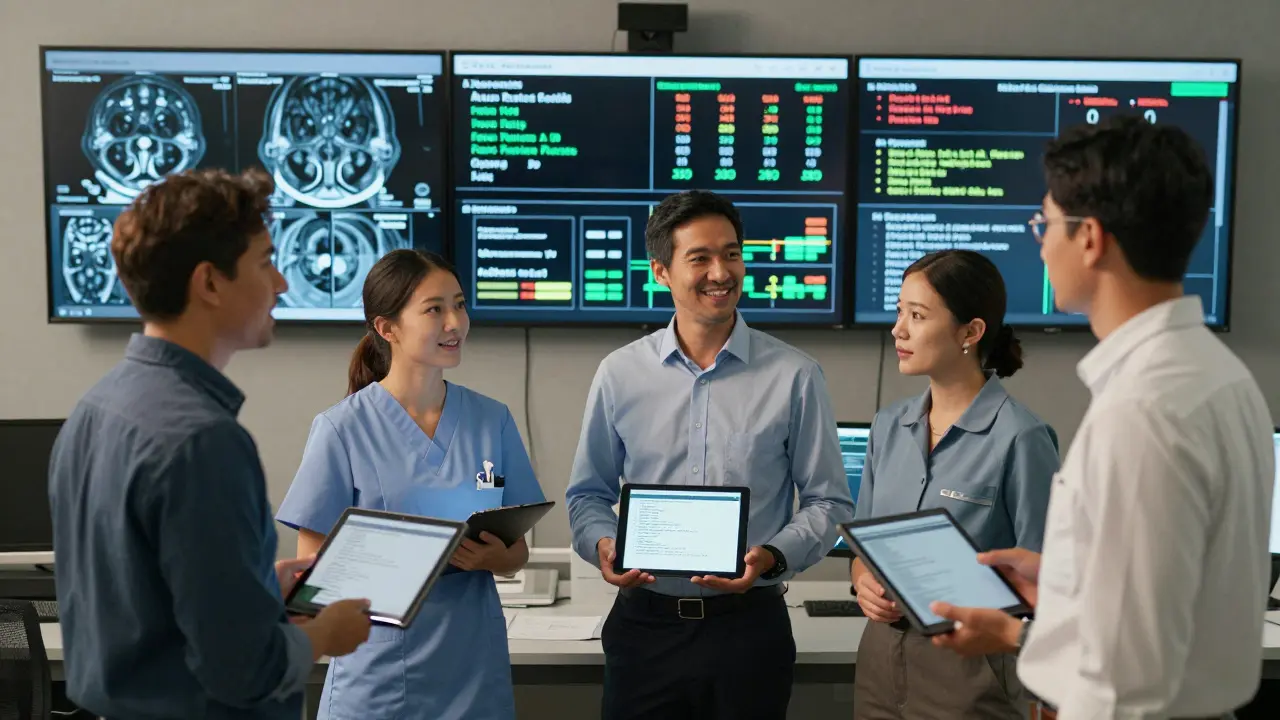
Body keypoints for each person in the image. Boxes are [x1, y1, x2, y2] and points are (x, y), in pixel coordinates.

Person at [928, 116, 1275, 719]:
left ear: (1089, 238)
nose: (1040, 244)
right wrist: (1069, 586)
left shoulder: (1144, 408)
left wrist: (1014, 635)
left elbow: (1126, 678)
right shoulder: (1220, 376)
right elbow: (1173, 601)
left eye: (1044, 224)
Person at [47, 168, 372, 720]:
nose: (282, 283)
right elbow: (244, 670)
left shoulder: (95, 409)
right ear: (210, 283)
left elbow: (138, 598)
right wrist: (327, 634)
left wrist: (258, 589)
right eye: (265, 262)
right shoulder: (203, 441)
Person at [565, 189, 855, 719]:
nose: (720, 273)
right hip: (644, 630)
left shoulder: (795, 375)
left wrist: (773, 556)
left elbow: (829, 502)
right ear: (661, 271)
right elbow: (587, 494)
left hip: (749, 629)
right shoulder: (619, 374)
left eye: (731, 254)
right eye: (699, 258)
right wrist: (603, 544)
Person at [275, 249, 546, 720]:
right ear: (387, 328)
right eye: (434, 309)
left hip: (473, 670)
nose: (455, 323)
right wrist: (405, 563)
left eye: (459, 305)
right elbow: (314, 578)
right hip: (379, 676)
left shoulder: (492, 420)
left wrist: (489, 557)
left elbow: (517, 553)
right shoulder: (342, 429)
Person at [849, 249, 1059, 719]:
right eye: (899, 312)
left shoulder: (1022, 437)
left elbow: (1047, 578)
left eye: (917, 315)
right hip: (880, 662)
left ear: (970, 331)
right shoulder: (888, 425)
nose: (898, 330)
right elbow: (863, 547)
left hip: (972, 669)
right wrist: (863, 583)